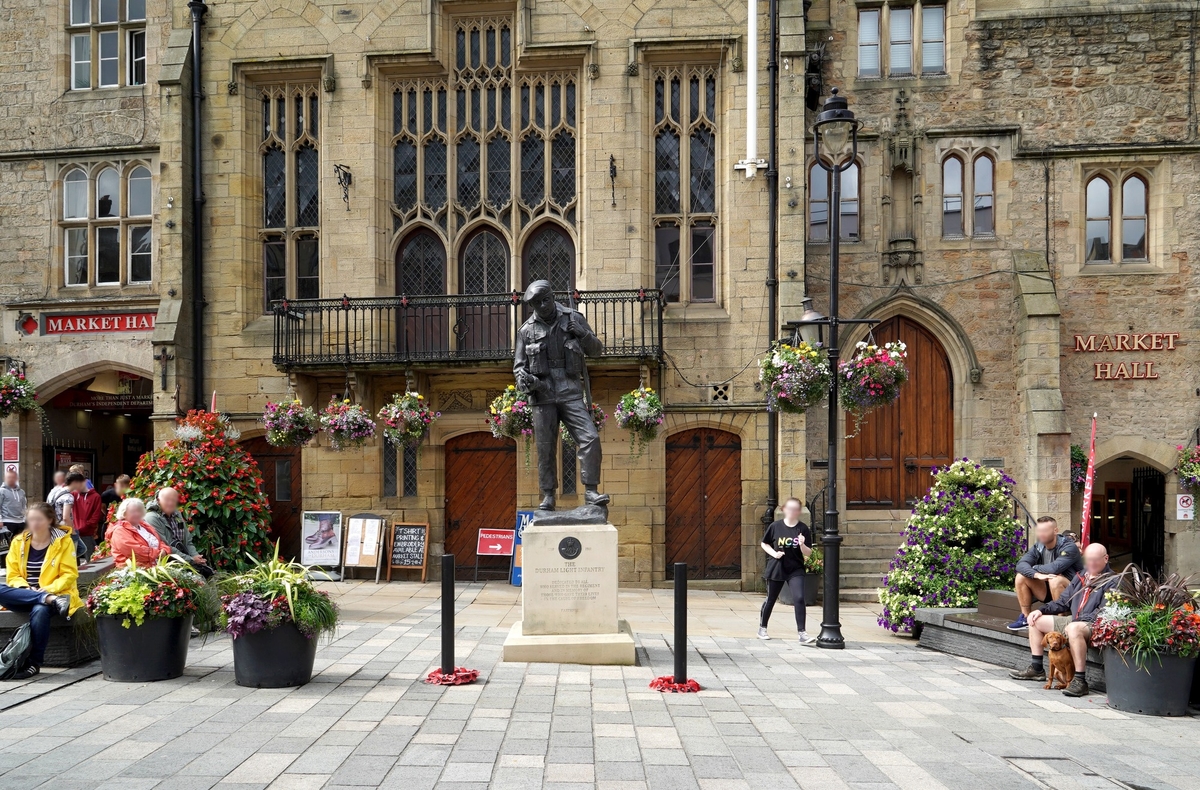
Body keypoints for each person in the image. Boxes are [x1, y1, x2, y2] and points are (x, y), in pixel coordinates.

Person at [513, 280, 608, 511]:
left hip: (570, 389)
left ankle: (591, 491)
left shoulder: (573, 318)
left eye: (545, 299)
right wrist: (524, 379)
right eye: (536, 303)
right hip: (542, 393)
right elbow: (518, 367)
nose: (543, 305)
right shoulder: (526, 330)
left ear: (553, 295)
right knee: (545, 447)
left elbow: (596, 350)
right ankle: (548, 495)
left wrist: (583, 334)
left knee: (590, 438)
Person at [1010, 543, 1117, 697]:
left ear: (1106, 559)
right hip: (1074, 621)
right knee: (1035, 620)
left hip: (1093, 624)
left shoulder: (1113, 581)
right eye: (1088, 560)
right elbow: (1062, 602)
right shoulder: (1081, 576)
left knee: (1074, 628)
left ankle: (1080, 681)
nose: (1091, 564)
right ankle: (1037, 668)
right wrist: (1040, 610)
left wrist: (1077, 622)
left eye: (1095, 560)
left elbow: (1104, 612)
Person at [0, 503, 82, 679]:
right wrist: (25, 588)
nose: (34, 524)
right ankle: (46, 598)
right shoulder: (18, 541)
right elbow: (12, 575)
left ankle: (34, 663)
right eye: (31, 519)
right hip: (25, 594)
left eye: (39, 519)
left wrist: (48, 589)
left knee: (40, 610)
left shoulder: (63, 541)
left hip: (59, 594)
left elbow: (69, 574)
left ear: (50, 520)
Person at [1007, 516, 1083, 631]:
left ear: (1055, 531)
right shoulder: (1039, 546)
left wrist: (1034, 568)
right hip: (1048, 591)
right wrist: (1036, 575)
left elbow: (1054, 568)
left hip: (1073, 593)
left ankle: (1060, 621)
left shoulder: (1069, 547)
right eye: (1039, 531)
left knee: (1055, 579)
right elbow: (1021, 565)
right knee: (1021, 576)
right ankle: (1026, 618)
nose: (1041, 534)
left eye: (1045, 531)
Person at [758, 498, 817, 645]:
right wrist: (774, 554)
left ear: (798, 511)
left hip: (795, 568)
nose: (792, 511)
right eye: (789, 508)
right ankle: (762, 628)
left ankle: (802, 633)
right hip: (777, 567)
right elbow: (764, 543)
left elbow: (808, 553)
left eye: (795, 509)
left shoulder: (803, 529)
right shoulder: (775, 526)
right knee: (771, 598)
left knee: (799, 598)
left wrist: (802, 544)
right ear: (784, 510)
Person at [145, 488, 211, 577]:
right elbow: (166, 546)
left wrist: (196, 556)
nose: (170, 503)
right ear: (158, 500)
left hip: (184, 560)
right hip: (165, 564)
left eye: (173, 500)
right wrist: (191, 560)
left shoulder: (177, 514)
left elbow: (187, 540)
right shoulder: (151, 518)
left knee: (207, 575)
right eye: (167, 500)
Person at [108, 497, 171, 567]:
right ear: (124, 513)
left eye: (139, 511)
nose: (137, 514)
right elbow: (134, 551)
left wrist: (165, 550)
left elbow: (159, 541)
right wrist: (158, 554)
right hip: (135, 571)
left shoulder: (144, 525)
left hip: (155, 567)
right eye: (133, 512)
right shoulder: (119, 530)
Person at [68, 472, 104, 558]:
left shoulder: (95, 496)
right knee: (73, 559)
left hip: (87, 533)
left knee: (90, 558)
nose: (75, 487)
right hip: (73, 531)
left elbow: (96, 516)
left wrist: (85, 527)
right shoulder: (73, 494)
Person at [0, 469, 28, 536]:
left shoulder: (21, 492)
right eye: (9, 477)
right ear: (5, 478)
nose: (11, 479)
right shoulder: (1, 491)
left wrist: (26, 519)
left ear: (17, 478)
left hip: (21, 522)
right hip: (7, 521)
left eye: (13, 477)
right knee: (7, 545)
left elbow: (24, 506)